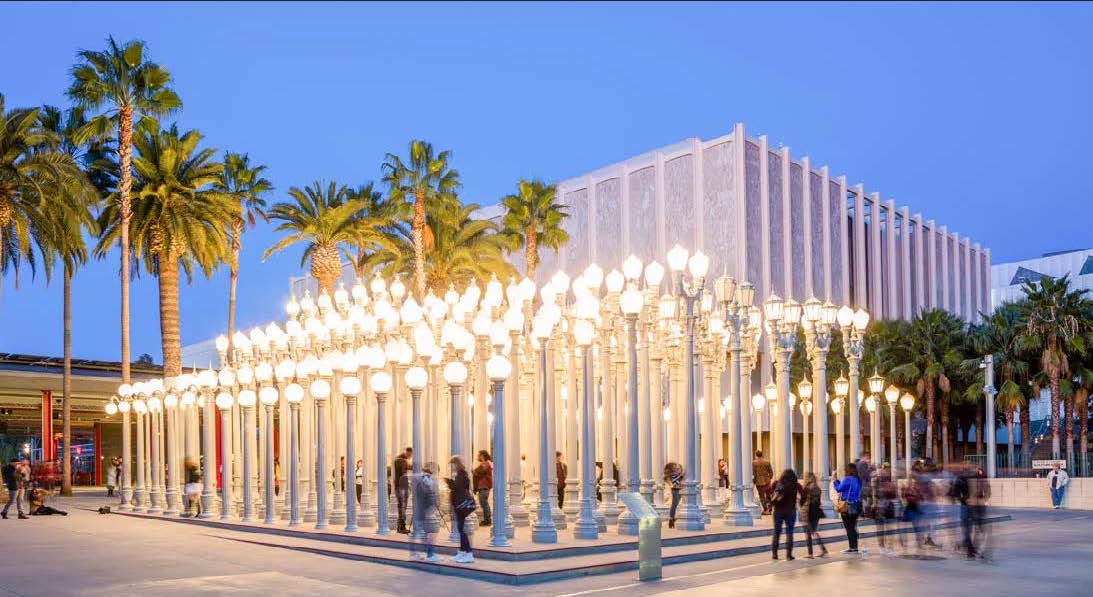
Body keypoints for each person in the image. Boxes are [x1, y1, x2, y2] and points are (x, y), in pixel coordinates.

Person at [444, 455, 475, 564]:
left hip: (461, 504)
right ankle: (462, 551)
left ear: (456, 464)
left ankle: (469, 553)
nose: (451, 467)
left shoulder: (461, 475)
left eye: (452, 465)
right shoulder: (461, 474)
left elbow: (458, 489)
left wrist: (449, 482)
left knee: (462, 530)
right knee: (460, 528)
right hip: (460, 504)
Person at [410, 462, 441, 563]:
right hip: (421, 510)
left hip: (420, 510)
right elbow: (424, 494)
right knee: (425, 533)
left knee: (420, 533)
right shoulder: (422, 482)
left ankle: (418, 553)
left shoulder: (418, 480)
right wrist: (429, 487)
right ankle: (429, 554)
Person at [770, 469, 803, 560]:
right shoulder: (796, 485)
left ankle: (774, 554)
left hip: (778, 511)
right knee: (789, 533)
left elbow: (770, 491)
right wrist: (800, 502)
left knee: (776, 532)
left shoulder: (777, 483)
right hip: (791, 511)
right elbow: (803, 494)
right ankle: (789, 555)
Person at [833, 462, 863, 554]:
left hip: (847, 506)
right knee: (853, 526)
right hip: (856, 505)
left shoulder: (847, 479)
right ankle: (854, 547)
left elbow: (838, 489)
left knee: (849, 527)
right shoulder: (858, 480)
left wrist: (834, 480)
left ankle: (852, 548)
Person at [800, 472, 827, 558]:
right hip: (816, 512)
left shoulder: (806, 488)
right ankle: (822, 549)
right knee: (813, 531)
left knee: (808, 533)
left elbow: (802, 501)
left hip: (807, 512)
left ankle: (810, 553)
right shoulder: (817, 488)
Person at [393, 447, 412, 533]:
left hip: (399, 486)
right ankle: (401, 527)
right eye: (410, 455)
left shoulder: (398, 460)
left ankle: (400, 527)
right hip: (402, 486)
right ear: (407, 452)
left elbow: (407, 468)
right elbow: (404, 472)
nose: (410, 457)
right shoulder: (402, 461)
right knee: (403, 506)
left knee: (401, 506)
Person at [472, 450, 493, 526]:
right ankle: (486, 519)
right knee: (483, 503)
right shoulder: (484, 464)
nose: (478, 456)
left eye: (479, 455)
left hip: (484, 486)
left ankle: (488, 520)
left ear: (482, 455)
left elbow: (478, 472)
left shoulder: (486, 464)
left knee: (484, 503)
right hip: (482, 486)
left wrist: (474, 471)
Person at [753, 450, 774, 514]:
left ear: (756, 455)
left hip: (759, 482)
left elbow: (754, 473)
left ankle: (765, 509)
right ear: (762, 454)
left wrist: (754, 481)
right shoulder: (767, 462)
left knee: (761, 496)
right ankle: (770, 508)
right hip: (767, 481)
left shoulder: (754, 463)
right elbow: (771, 472)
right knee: (768, 495)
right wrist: (769, 478)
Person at [664, 462, 684, 529]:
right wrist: (681, 475)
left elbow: (679, 477)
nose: (676, 467)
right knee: (674, 504)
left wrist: (680, 472)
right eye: (675, 466)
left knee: (676, 504)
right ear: (672, 468)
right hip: (675, 490)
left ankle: (672, 518)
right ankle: (671, 518)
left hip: (678, 489)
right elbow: (675, 479)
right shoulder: (672, 475)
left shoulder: (676, 474)